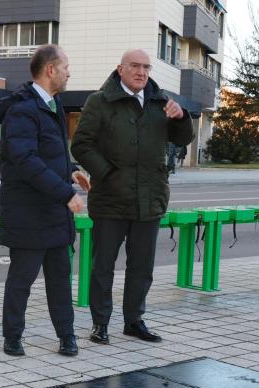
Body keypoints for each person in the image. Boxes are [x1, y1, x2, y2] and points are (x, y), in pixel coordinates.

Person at [71, 48, 195, 346]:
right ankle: (100, 323)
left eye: (146, 67)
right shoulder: (99, 102)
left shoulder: (161, 101)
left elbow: (182, 139)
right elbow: (81, 145)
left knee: (141, 267)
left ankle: (134, 321)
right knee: (103, 267)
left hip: (149, 199)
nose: (141, 72)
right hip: (111, 199)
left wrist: (181, 118)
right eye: (135, 66)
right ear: (121, 69)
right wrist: (107, 174)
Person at [0, 44, 91, 357]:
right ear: (50, 70)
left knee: (60, 281)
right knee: (22, 280)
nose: (69, 72)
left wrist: (71, 171)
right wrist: (66, 194)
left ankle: (66, 335)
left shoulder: (52, 104)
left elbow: (52, 153)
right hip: (28, 212)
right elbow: (27, 161)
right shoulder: (23, 110)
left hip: (53, 212)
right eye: (66, 66)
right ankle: (12, 337)